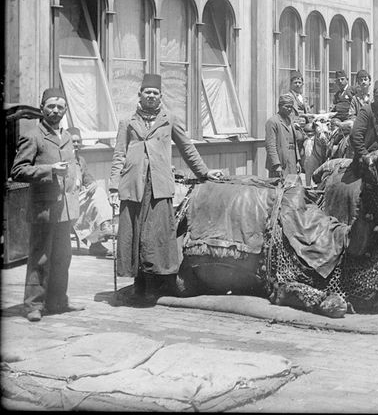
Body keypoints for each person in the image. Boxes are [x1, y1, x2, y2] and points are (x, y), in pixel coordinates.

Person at [108, 73, 223, 304]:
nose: (151, 96)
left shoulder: (169, 119)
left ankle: (154, 286)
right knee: (134, 234)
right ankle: (137, 286)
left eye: (155, 93)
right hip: (133, 185)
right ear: (139, 95)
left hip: (159, 186)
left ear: (161, 96)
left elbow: (187, 147)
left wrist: (204, 172)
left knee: (156, 237)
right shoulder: (127, 122)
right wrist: (113, 186)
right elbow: (119, 154)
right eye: (147, 92)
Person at [11, 88, 84, 322]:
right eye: (51, 106)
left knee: (63, 257)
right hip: (44, 208)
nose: (55, 110)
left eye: (60, 107)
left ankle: (57, 301)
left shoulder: (66, 136)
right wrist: (49, 170)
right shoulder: (32, 135)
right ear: (42, 107)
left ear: (65, 110)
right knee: (40, 257)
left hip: (66, 209)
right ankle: (33, 304)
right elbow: (18, 171)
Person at [69, 127, 116, 257]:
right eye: (73, 141)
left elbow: (89, 180)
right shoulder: (62, 159)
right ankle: (103, 229)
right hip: (65, 201)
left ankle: (102, 231)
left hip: (79, 200)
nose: (76, 144)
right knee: (96, 200)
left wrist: (93, 185)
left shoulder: (80, 160)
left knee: (98, 194)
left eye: (78, 142)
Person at [265, 94, 306, 178]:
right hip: (280, 160)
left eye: (291, 107)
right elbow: (270, 146)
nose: (289, 109)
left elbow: (295, 143)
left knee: (292, 186)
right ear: (279, 106)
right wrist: (276, 165)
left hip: (292, 160)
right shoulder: (272, 122)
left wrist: (297, 161)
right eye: (286, 106)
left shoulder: (289, 121)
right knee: (279, 187)